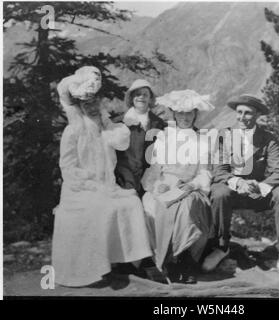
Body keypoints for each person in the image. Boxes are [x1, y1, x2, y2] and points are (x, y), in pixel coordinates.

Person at [51, 67, 153, 287]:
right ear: (79, 107)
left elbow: (121, 140)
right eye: (86, 103)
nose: (92, 107)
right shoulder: (73, 131)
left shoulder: (107, 129)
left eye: (94, 102)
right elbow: (67, 168)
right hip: (79, 190)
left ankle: (129, 262)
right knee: (101, 207)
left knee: (132, 202)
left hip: (107, 186)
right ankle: (96, 268)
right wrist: (89, 181)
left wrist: (107, 127)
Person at [204, 94, 279, 286]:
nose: (242, 117)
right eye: (239, 112)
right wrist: (238, 182)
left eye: (248, 113)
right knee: (219, 192)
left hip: (258, 193)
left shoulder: (268, 139)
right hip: (233, 190)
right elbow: (219, 171)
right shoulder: (224, 136)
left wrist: (260, 185)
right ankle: (221, 247)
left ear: (257, 115)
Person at [141, 90, 214, 284]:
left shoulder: (203, 140)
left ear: (195, 114)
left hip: (190, 186)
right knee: (155, 204)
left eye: (189, 112)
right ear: (174, 114)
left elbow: (205, 172)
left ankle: (184, 260)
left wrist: (193, 184)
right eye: (180, 113)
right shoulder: (164, 137)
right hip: (166, 185)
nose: (185, 117)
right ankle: (168, 262)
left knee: (187, 206)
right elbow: (155, 169)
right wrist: (158, 185)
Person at [114, 79, 166, 196]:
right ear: (132, 98)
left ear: (150, 98)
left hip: (151, 176)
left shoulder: (159, 123)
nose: (141, 97)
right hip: (125, 176)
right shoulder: (120, 123)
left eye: (145, 94)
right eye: (137, 94)